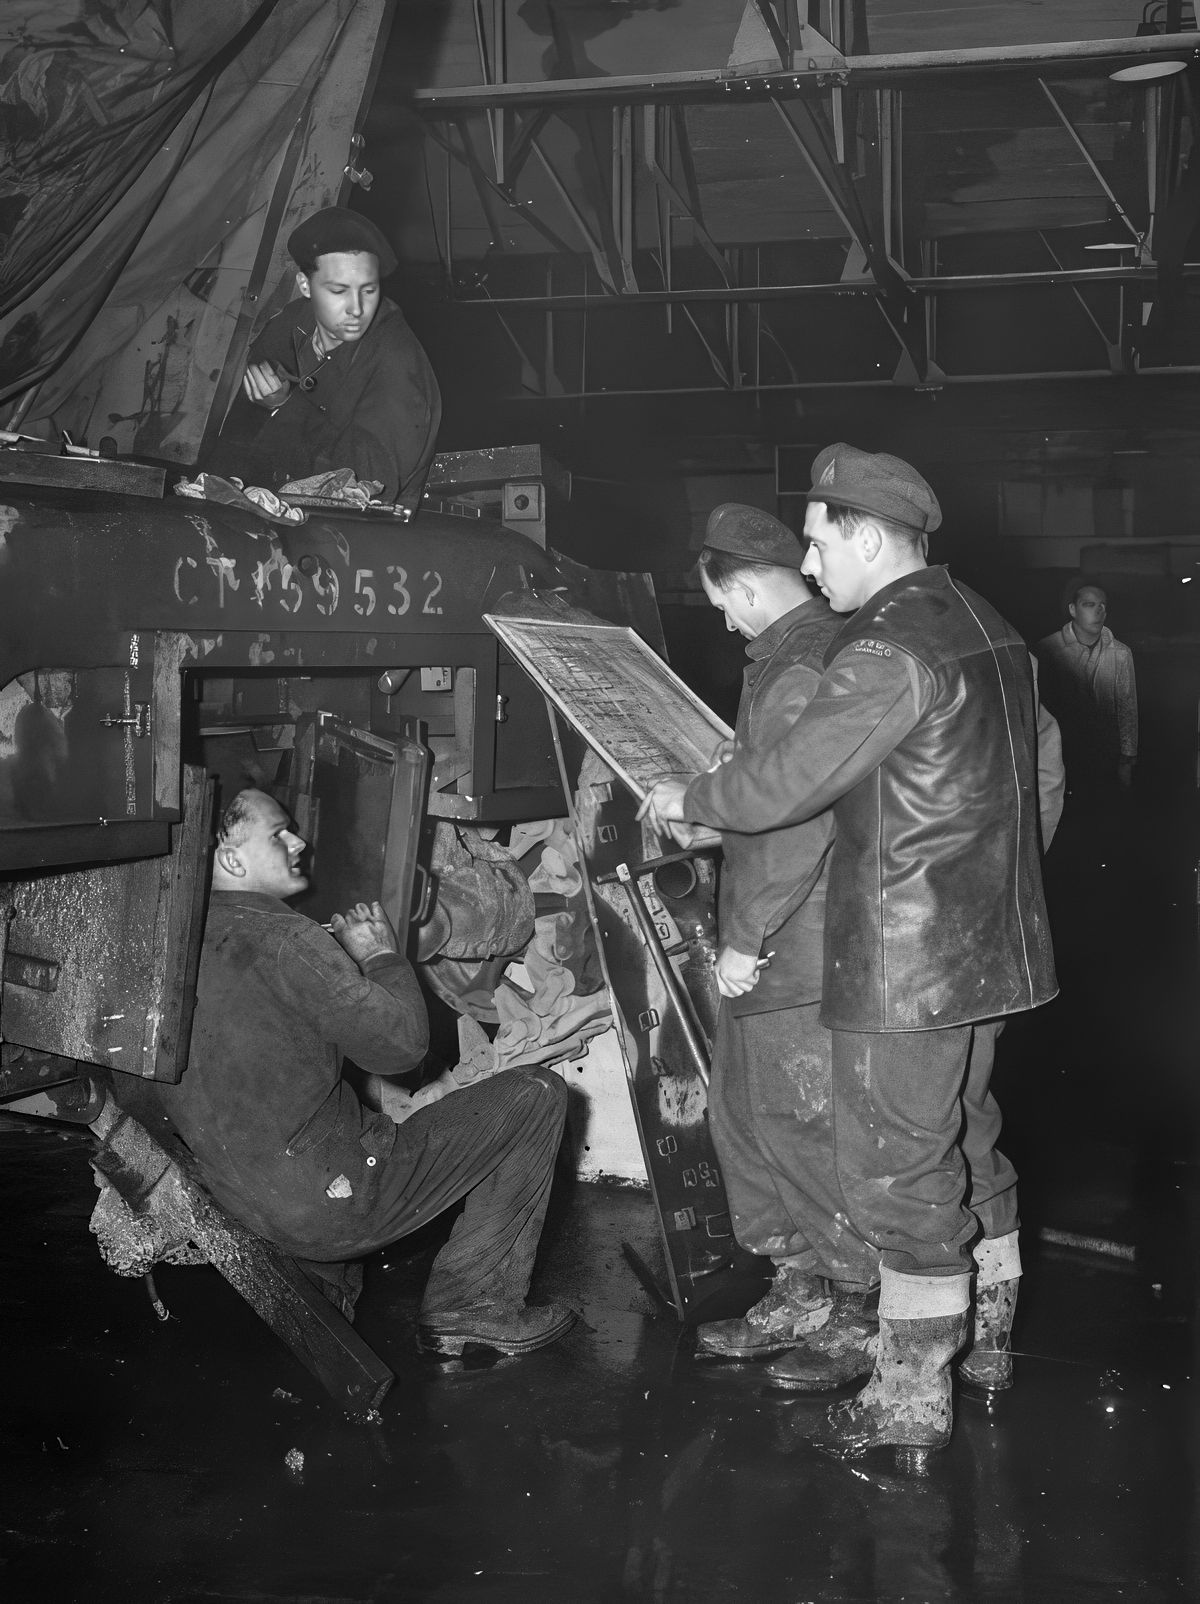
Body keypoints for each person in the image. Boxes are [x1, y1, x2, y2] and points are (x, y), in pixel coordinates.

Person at [639, 444, 1058, 1463]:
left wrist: (691, 794)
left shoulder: (889, 645)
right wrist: (1001, 885)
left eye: (820, 543)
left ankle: (910, 1394)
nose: (809, 564)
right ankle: (990, 1340)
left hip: (907, 958)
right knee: (965, 1137)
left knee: (895, 1170)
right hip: (994, 949)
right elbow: (1044, 767)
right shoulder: (991, 627)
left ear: (868, 537)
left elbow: (789, 784)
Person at [133, 788, 574, 1358]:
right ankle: (474, 1305)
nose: (299, 842)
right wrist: (381, 956)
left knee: (333, 1121)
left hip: (233, 1199)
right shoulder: (290, 941)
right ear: (232, 860)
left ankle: (326, 1296)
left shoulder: (168, 939)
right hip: (324, 1207)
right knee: (537, 1094)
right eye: (278, 834)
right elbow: (401, 1050)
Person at [683, 505, 882, 1371]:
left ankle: (855, 1304)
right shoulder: (790, 657)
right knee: (745, 1115)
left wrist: (746, 931)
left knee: (801, 1124)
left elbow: (796, 823)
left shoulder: (800, 666)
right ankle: (799, 1286)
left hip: (794, 937)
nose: (726, 624)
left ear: (745, 587)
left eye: (723, 605)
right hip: (781, 931)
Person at [214, 207, 441, 508]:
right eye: (339, 290)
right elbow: (235, 443)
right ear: (305, 285)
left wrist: (283, 406)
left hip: (356, 526)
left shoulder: (397, 359)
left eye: (368, 290)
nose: (357, 309)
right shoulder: (287, 326)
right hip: (273, 511)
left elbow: (359, 486)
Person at [1035, 581, 1137, 796]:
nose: (1098, 612)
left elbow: (1127, 707)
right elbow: (1038, 711)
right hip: (1061, 756)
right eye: (1089, 605)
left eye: (1102, 606)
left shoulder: (1120, 653)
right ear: (1072, 609)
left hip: (1105, 756)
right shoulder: (1047, 650)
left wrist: (1127, 759)